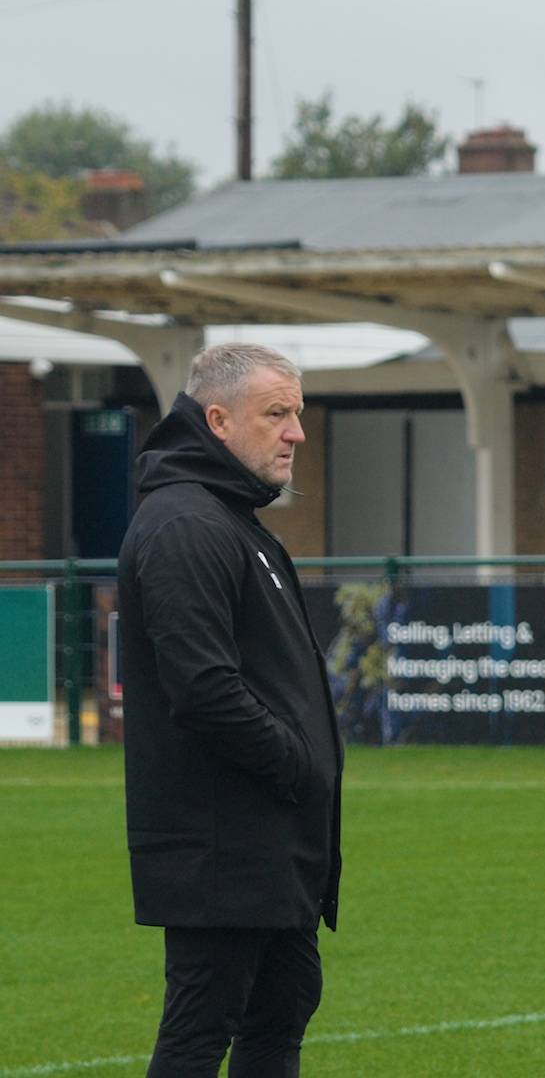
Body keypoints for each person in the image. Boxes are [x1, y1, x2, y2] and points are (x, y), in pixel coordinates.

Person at [117, 342, 343, 1077]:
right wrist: (297, 765)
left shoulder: (232, 521)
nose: (296, 434)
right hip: (220, 849)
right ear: (217, 420)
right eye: (276, 414)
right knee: (199, 1029)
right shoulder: (186, 525)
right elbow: (204, 688)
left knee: (282, 1010)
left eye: (297, 414)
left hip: (267, 844)